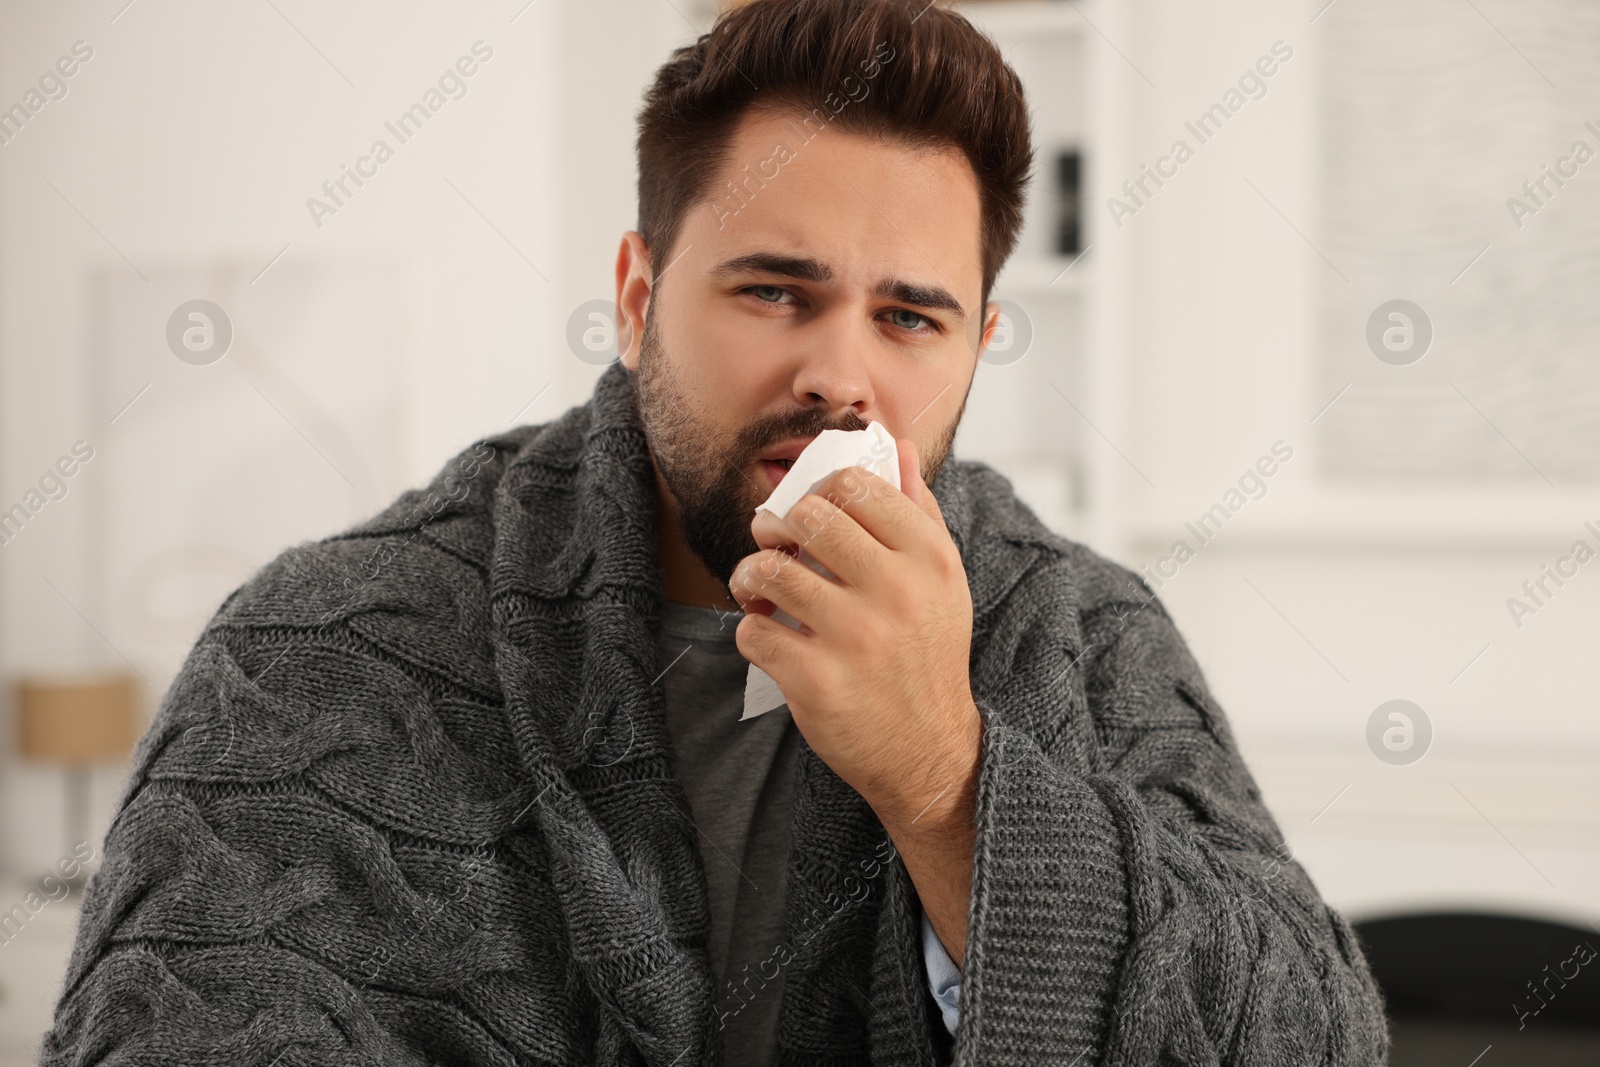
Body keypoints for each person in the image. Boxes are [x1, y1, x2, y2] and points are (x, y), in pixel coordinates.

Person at [40, 0, 1390, 1063]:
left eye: (910, 317)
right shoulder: (320, 650)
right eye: (774, 290)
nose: (843, 376)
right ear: (637, 299)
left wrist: (946, 781)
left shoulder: (1086, 637)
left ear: (979, 344)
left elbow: (1312, 1040)